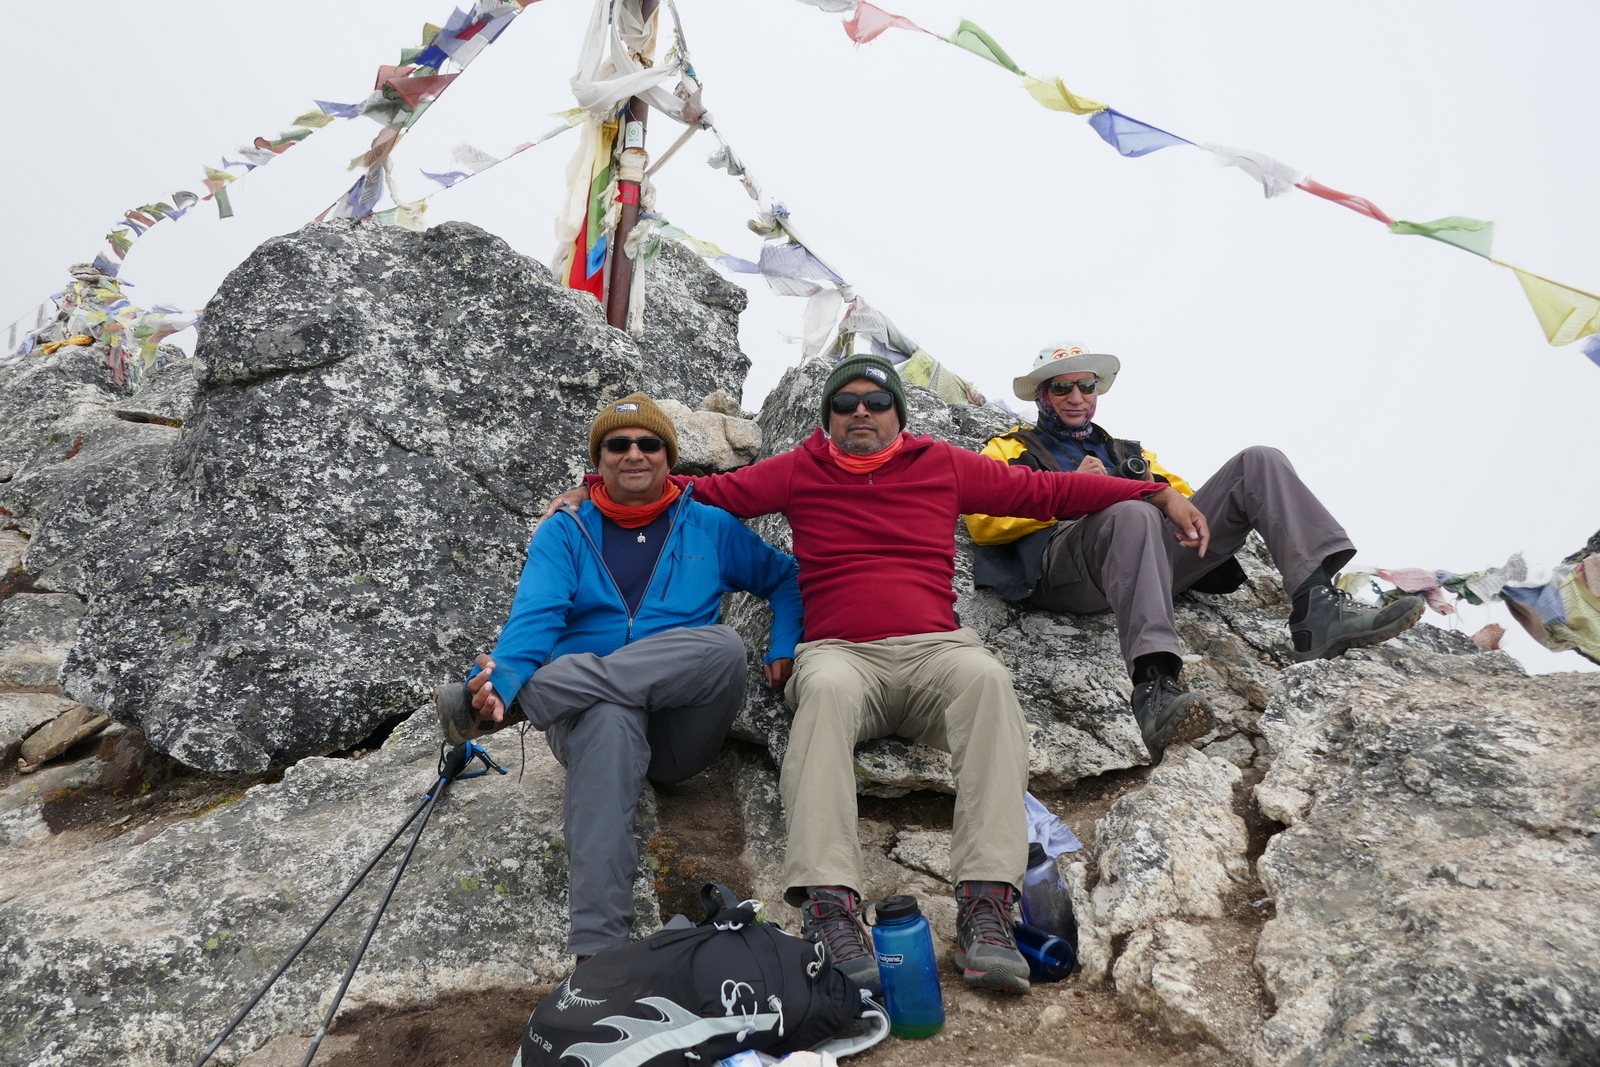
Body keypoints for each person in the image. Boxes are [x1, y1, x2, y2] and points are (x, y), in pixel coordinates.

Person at [548, 355, 1208, 996]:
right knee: (826, 694)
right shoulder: (799, 469)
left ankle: (985, 907)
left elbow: (1051, 491)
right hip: (840, 652)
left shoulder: (941, 463)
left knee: (987, 682)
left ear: (898, 411)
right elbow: (704, 493)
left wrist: (1154, 492)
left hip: (936, 649)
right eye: (845, 403)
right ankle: (831, 908)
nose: (860, 412)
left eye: (875, 401)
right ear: (828, 417)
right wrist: (595, 492)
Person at [435, 393, 803, 961]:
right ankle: (597, 955)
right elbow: (535, 617)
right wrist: (503, 670)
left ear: (669, 456)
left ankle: (535, 698)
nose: (635, 453)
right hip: (592, 726)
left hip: (681, 736)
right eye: (618, 444)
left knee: (726, 647)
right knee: (609, 711)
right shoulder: (566, 530)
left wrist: (783, 643)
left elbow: (787, 578)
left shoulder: (708, 526)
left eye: (649, 443)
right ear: (598, 459)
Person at [964, 343, 1426, 759]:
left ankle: (1316, 607)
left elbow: (1183, 500)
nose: (1076, 396)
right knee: (1134, 513)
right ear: (1042, 396)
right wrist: (1075, 490)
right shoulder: (1010, 447)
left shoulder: (1128, 451)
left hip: (1144, 559)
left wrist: (1153, 494)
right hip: (1066, 571)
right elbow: (983, 519)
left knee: (1257, 460)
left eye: (1085, 385)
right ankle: (1154, 688)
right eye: (1061, 387)